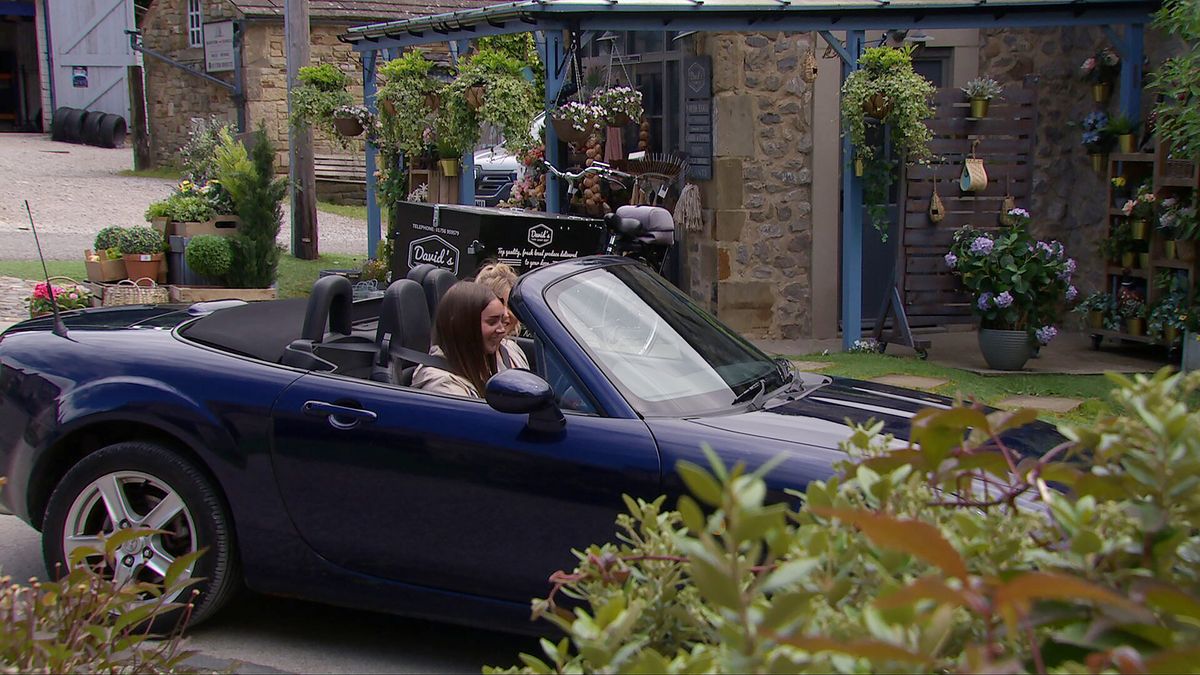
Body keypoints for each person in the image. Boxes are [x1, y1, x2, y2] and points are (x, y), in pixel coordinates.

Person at [411, 281, 527, 398]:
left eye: (501, 320)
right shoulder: (442, 385)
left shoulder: (486, 362)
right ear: (462, 325)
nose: (502, 330)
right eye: (492, 322)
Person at [473, 261, 523, 336]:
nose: (506, 314)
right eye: (498, 305)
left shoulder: (511, 347)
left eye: (511, 306)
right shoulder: (468, 347)